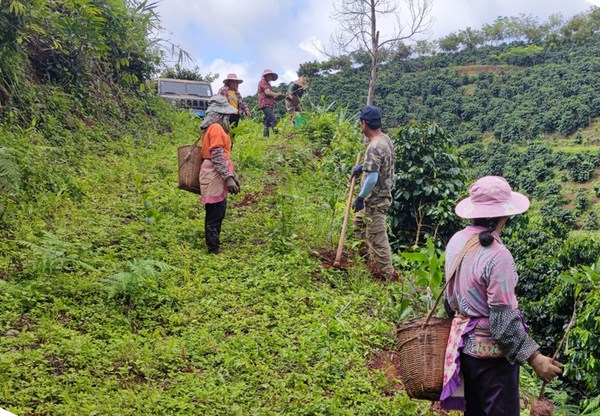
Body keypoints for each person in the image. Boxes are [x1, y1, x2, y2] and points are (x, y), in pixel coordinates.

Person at [440, 176, 563, 414]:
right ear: (504, 215)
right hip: (493, 361)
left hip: (464, 350)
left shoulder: (456, 241)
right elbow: (503, 323)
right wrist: (536, 359)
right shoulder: (498, 256)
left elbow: (449, 299)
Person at [351, 104, 396, 280]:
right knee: (358, 225)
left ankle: (388, 277)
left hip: (375, 200)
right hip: (375, 198)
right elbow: (381, 164)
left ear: (364, 123)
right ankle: (365, 263)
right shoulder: (386, 140)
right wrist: (363, 167)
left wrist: (360, 197)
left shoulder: (374, 146)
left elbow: (372, 178)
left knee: (378, 238)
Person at [198, 95, 241, 254]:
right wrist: (228, 178)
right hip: (214, 174)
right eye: (227, 115)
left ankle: (213, 244)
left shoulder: (214, 128)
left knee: (217, 210)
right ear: (221, 115)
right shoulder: (216, 128)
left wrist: (233, 176)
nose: (229, 117)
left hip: (216, 173)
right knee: (215, 212)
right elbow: (217, 156)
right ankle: (213, 248)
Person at [217, 73, 251, 140]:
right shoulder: (223, 90)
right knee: (225, 131)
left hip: (236, 115)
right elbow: (219, 101)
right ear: (229, 82)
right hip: (227, 114)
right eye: (233, 82)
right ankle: (223, 147)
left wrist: (246, 110)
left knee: (233, 132)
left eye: (236, 82)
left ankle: (230, 148)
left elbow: (242, 102)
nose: (235, 84)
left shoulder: (237, 93)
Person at [257, 69, 284, 137]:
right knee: (273, 120)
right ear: (265, 76)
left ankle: (265, 137)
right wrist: (276, 94)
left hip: (270, 104)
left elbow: (271, 96)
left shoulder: (268, 84)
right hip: (265, 104)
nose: (270, 77)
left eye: (270, 75)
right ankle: (277, 134)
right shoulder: (263, 82)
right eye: (268, 75)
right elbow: (267, 92)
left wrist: (279, 96)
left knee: (267, 122)